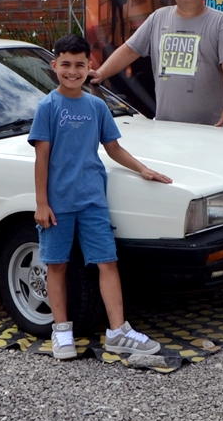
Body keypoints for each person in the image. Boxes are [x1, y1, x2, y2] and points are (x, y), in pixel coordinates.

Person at [31, 34, 173, 361]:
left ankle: (118, 331)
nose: (72, 71)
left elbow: (113, 148)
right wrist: (41, 203)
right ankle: (61, 330)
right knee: (57, 264)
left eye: (79, 65)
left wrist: (143, 169)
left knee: (107, 262)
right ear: (54, 66)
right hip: (57, 204)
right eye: (66, 64)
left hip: (93, 199)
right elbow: (41, 158)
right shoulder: (47, 107)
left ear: (89, 66)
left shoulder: (96, 106)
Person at [89, 0, 223, 128]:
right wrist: (101, 73)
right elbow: (129, 50)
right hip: (166, 127)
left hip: (211, 127)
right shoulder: (158, 18)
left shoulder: (221, 22)